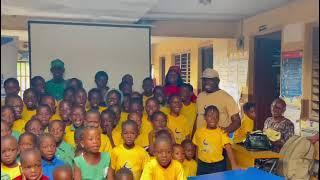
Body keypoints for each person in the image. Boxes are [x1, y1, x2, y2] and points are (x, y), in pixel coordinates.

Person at [193, 105, 239, 175]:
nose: (213, 118)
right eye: (209, 116)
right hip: (202, 165)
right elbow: (197, 148)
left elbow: (229, 149)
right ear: (205, 117)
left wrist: (234, 164)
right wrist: (197, 162)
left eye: (215, 116)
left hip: (218, 166)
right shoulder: (199, 131)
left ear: (218, 118)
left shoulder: (222, 132)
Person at [196, 68, 241, 134]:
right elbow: (198, 117)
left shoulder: (226, 97)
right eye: (204, 80)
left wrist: (224, 132)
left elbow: (237, 121)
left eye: (210, 80)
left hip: (218, 141)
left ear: (217, 81)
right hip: (200, 139)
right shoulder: (200, 96)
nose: (206, 83)